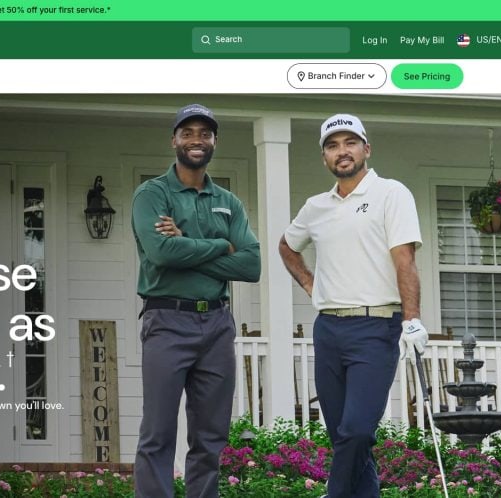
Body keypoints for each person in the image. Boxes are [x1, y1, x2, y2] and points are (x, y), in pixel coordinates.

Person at [279, 114, 427, 498]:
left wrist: (412, 319)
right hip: (328, 329)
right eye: (332, 145)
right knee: (343, 435)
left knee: (358, 430)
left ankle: (334, 493)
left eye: (349, 143)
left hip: (376, 327)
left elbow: (404, 259)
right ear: (325, 157)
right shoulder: (316, 207)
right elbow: (287, 246)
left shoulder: (392, 193)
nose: (341, 152)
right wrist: (312, 285)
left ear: (366, 149)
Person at [132, 104, 261, 498]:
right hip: (167, 320)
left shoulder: (229, 201)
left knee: (210, 435)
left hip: (218, 326)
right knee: (158, 432)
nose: (196, 140)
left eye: (204, 133)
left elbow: (252, 263)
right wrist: (222, 246)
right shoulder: (152, 194)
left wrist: (186, 243)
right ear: (174, 140)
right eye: (187, 132)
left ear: (214, 142)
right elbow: (161, 254)